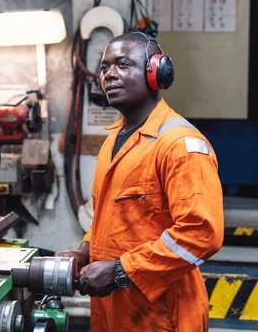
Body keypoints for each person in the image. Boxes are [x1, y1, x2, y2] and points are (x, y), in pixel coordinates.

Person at [56, 32, 224, 331]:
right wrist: (85, 252)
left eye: (123, 64)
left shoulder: (179, 144)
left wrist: (121, 271)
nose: (109, 75)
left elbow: (201, 234)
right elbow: (107, 219)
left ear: (156, 73)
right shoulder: (113, 143)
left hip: (161, 313)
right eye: (105, 67)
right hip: (113, 310)